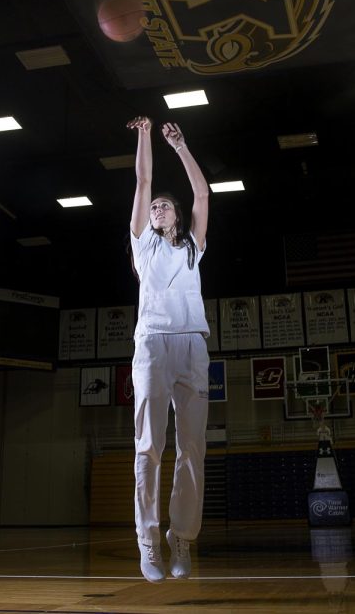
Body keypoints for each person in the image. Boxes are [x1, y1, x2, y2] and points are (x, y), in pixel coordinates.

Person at [127, 115, 210, 583]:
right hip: (153, 344)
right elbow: (142, 180)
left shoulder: (194, 248)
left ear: (176, 215)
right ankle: (147, 540)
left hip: (193, 345)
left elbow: (202, 194)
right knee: (149, 447)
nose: (157, 207)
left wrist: (181, 145)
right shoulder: (143, 248)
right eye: (153, 206)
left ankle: (183, 538)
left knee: (191, 448)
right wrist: (144, 135)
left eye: (164, 205)